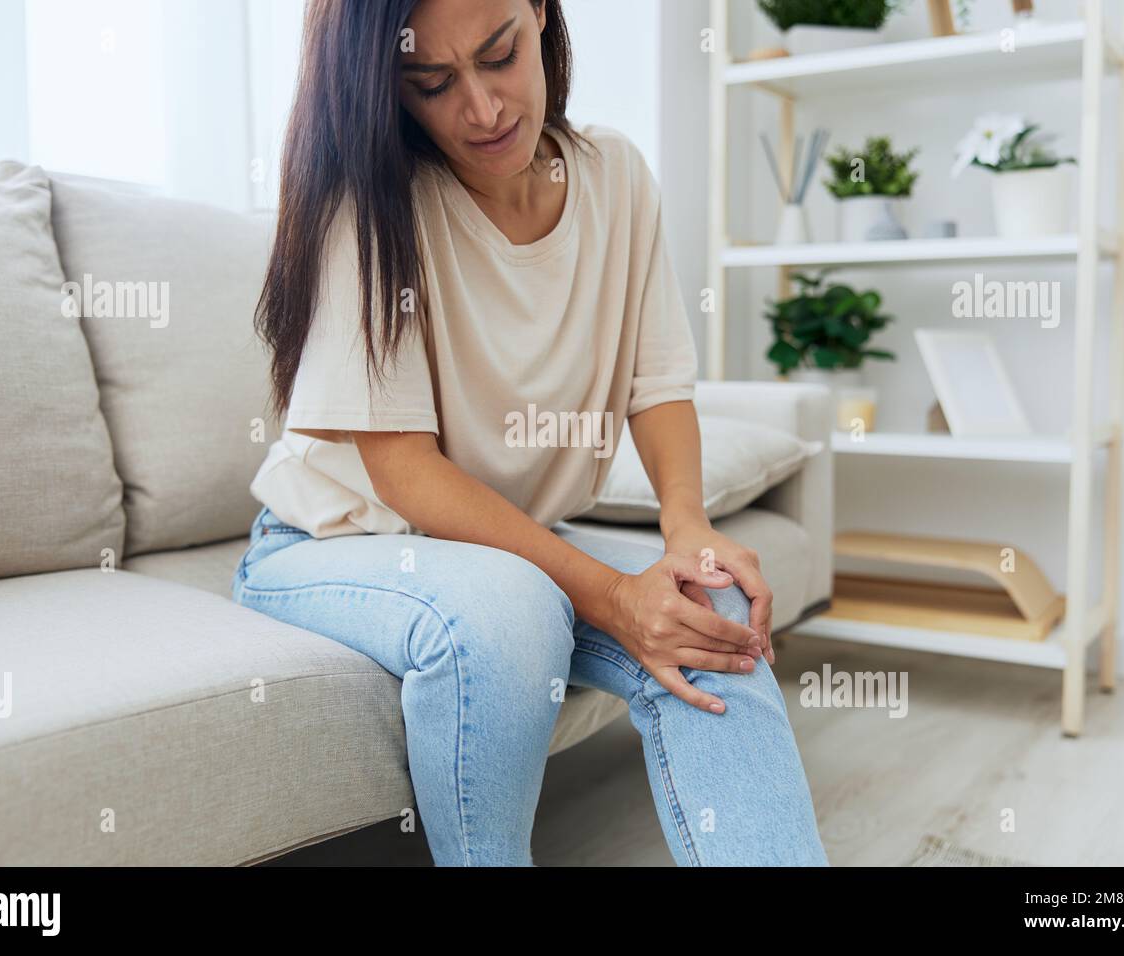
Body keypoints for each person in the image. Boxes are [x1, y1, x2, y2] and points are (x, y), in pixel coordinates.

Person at [233, 0, 828, 867]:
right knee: (511, 613)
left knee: (713, 603)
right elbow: (402, 471)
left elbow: (656, 385)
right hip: (332, 546)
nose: (481, 109)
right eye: (431, 83)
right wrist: (614, 596)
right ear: (387, 91)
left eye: (499, 55)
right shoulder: (369, 204)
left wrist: (688, 530)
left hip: (511, 547)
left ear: (541, 16)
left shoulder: (616, 175)